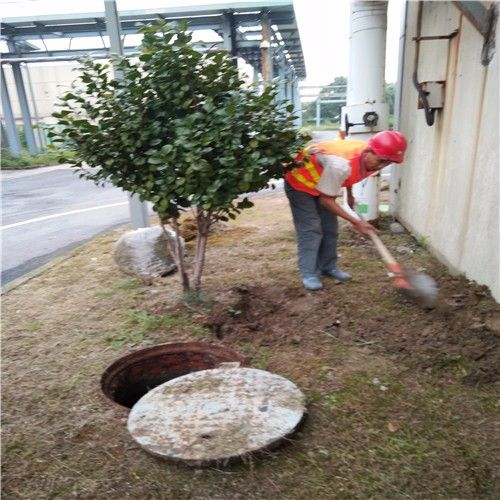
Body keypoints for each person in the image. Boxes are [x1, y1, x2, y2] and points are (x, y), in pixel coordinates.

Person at [284, 130, 408, 291]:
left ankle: (328, 267)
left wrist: (349, 194)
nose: (382, 166)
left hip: (324, 182)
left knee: (330, 228)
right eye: (381, 161)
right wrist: (357, 222)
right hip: (300, 183)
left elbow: (350, 173)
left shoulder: (368, 157)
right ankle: (309, 273)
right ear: (370, 151)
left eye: (388, 163)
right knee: (311, 230)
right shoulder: (340, 164)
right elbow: (326, 199)